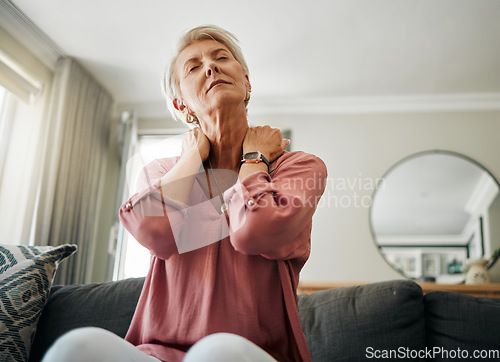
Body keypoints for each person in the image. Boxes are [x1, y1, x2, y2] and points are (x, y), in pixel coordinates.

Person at [42, 25, 327, 362]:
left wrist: (254, 160)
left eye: (222, 58)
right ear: (180, 103)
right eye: (194, 66)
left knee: (216, 352)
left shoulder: (298, 167)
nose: (211, 67)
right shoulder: (162, 173)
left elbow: (255, 233)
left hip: (249, 353)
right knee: (76, 347)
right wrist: (192, 155)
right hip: (158, 354)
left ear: (247, 82)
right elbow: (155, 233)